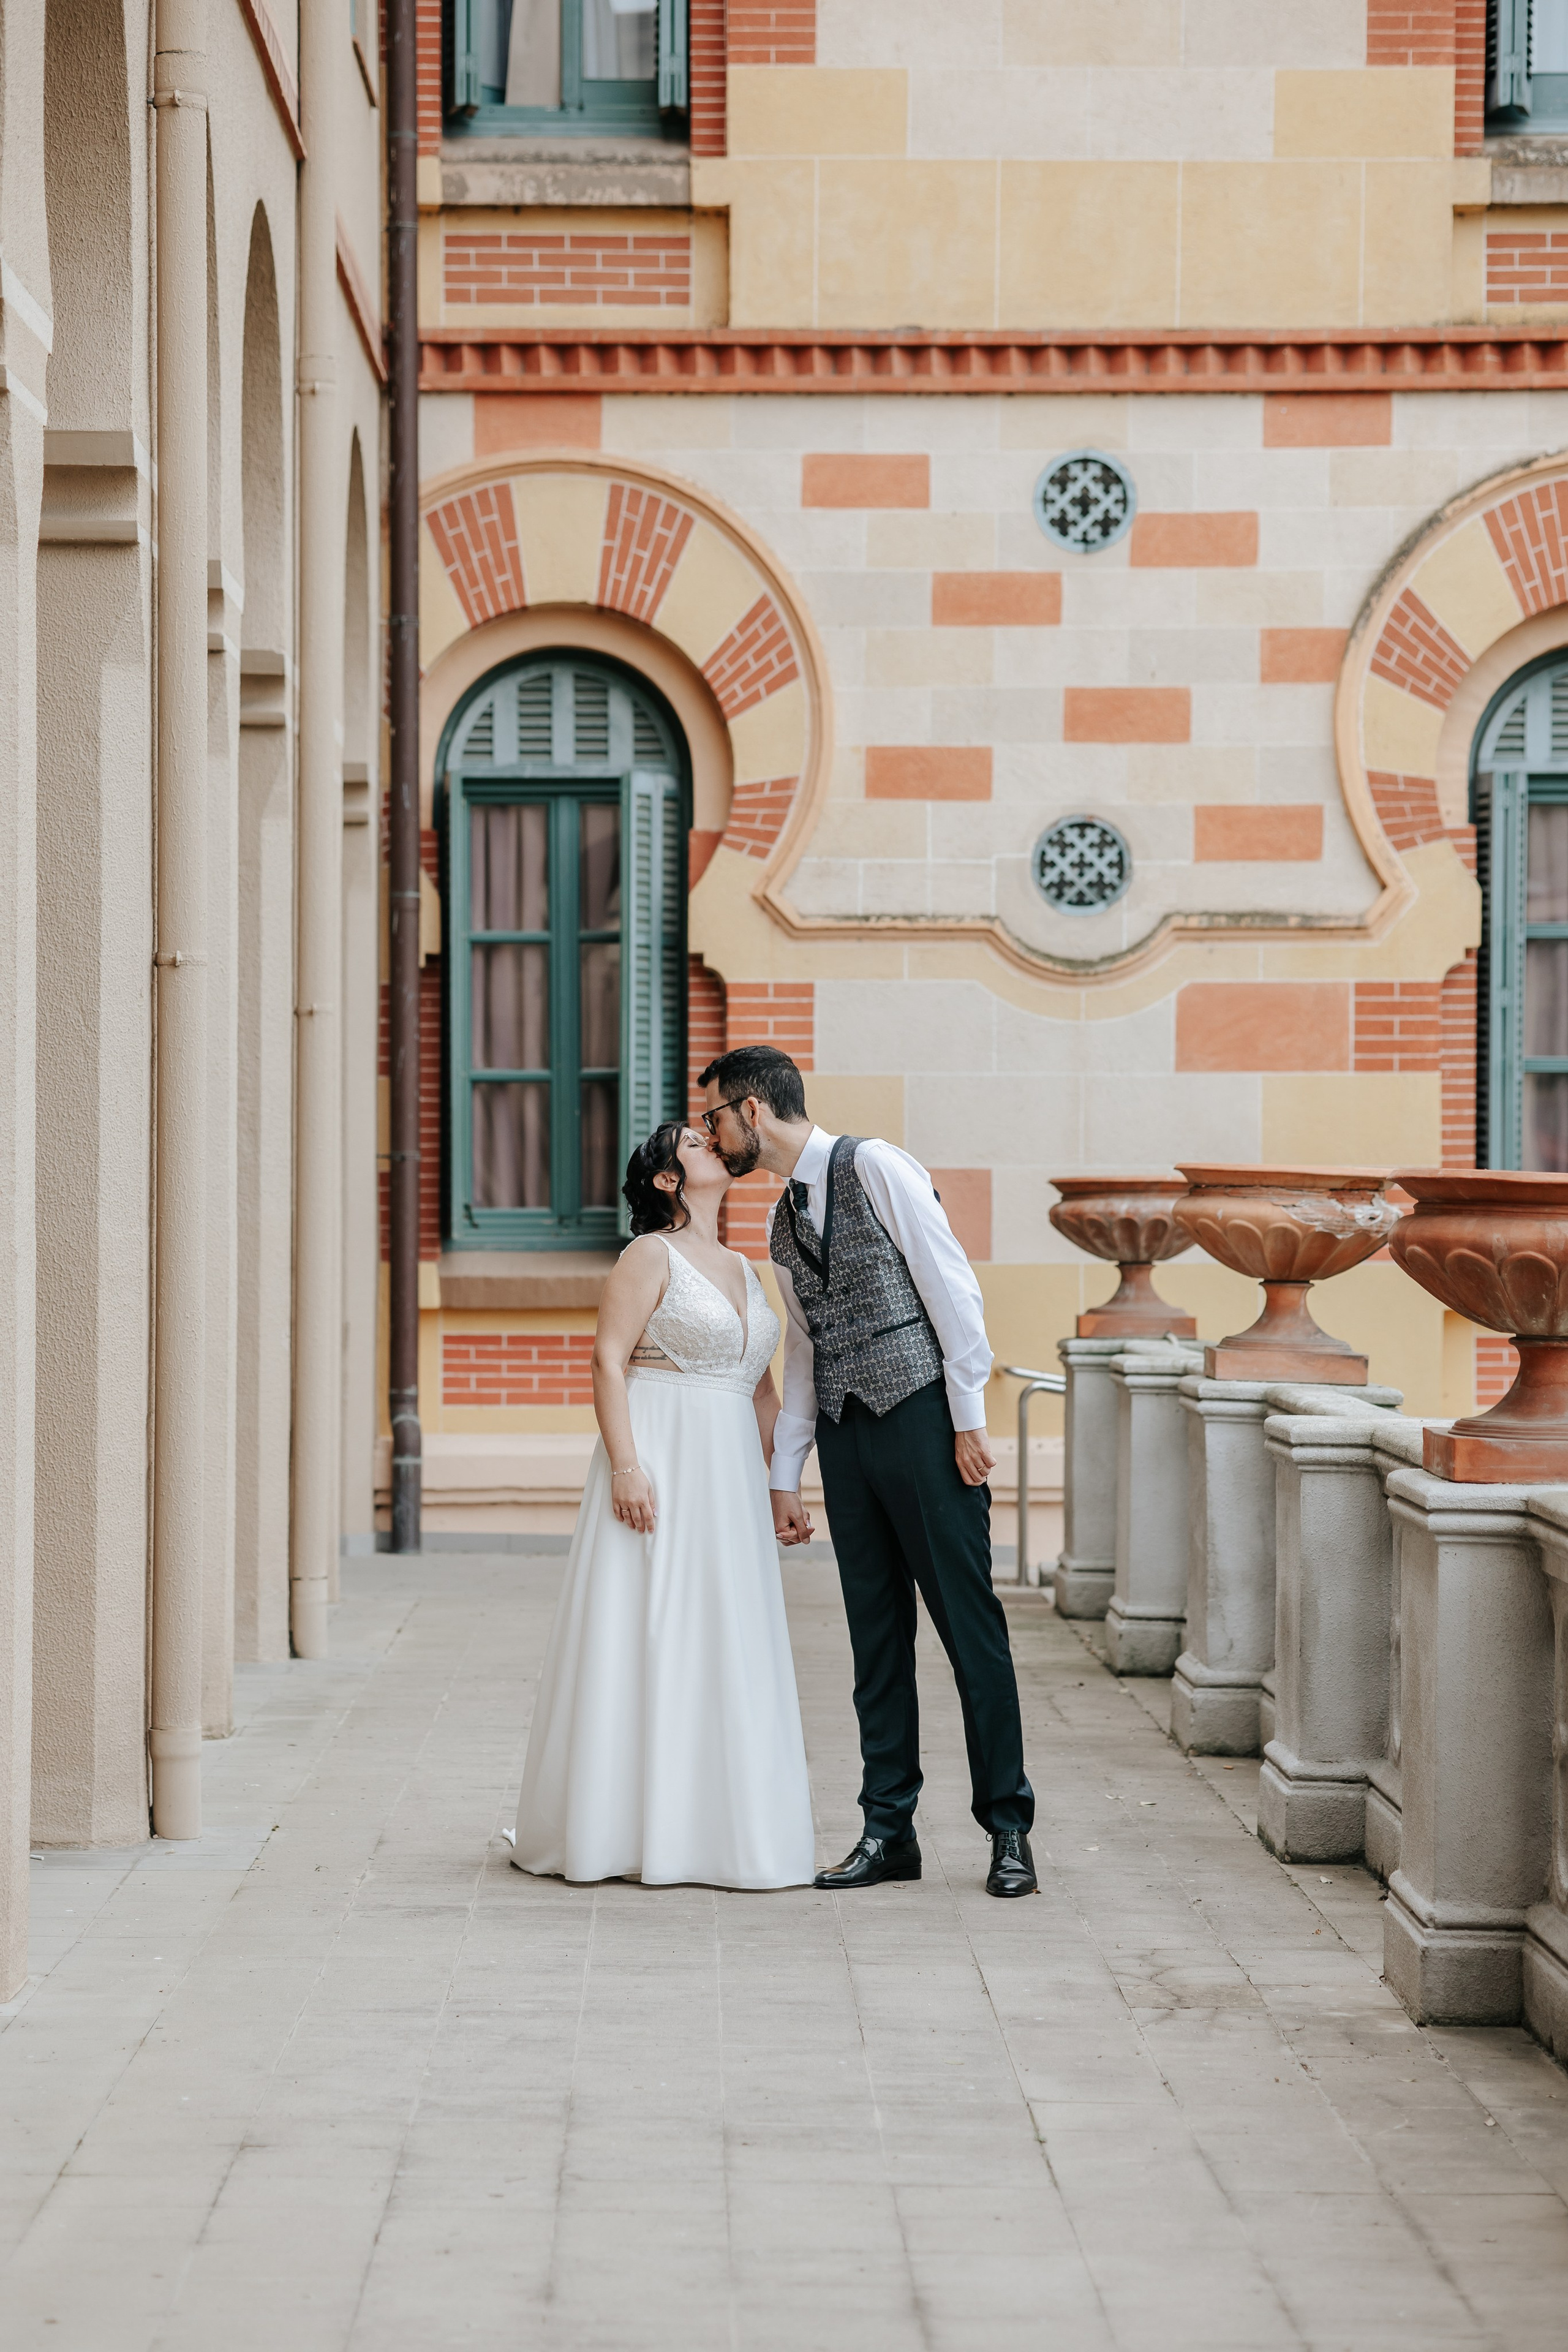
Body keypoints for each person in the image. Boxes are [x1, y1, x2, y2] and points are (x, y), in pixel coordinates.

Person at [701, 1045, 1037, 1899]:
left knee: (970, 1631)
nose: (711, 1134)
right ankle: (890, 1831)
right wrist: (788, 1474)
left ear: (752, 1111)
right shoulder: (779, 1225)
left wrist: (969, 1420)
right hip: (849, 1439)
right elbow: (809, 1354)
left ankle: (1008, 1829)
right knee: (875, 1644)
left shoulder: (876, 1165)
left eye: (714, 1117)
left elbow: (952, 1290)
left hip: (926, 1422)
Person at [511, 1119, 815, 1890]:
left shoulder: (748, 1271)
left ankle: (719, 1829)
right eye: (690, 1142)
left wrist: (784, 1484)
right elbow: (607, 1361)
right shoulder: (648, 1256)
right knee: (646, 1626)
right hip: (662, 1452)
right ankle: (620, 1826)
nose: (710, 1142)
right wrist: (626, 1466)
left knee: (724, 1631)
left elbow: (764, 1389)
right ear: (667, 1181)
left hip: (731, 1480)